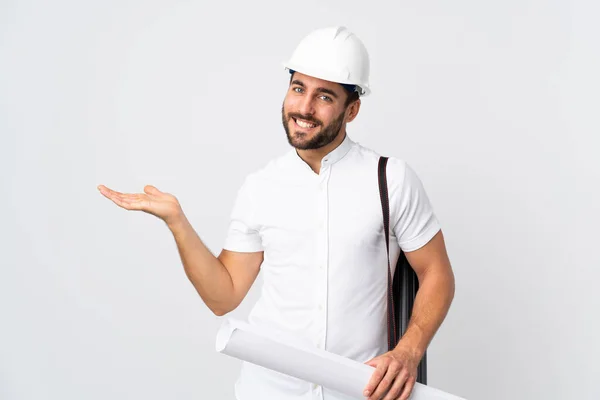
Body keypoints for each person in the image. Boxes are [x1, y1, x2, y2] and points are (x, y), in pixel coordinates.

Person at [98, 26, 455, 400]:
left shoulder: (391, 179)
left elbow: (437, 273)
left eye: (324, 96)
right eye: (298, 88)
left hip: (359, 391)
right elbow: (224, 296)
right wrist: (177, 223)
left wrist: (408, 351)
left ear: (352, 110)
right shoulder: (260, 186)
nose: (304, 108)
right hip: (269, 390)